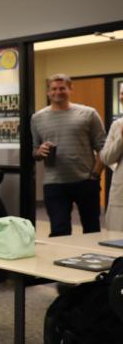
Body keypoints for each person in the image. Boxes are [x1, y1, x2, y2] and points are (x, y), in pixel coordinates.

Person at [31, 74, 106, 236]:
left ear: (70, 89)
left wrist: (95, 175)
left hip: (86, 180)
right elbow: (34, 150)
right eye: (54, 89)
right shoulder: (37, 118)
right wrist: (39, 151)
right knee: (59, 230)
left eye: (62, 88)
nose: (58, 92)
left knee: (92, 229)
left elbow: (103, 147)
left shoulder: (88, 114)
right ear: (48, 92)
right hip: (54, 182)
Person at [101, 83, 123, 231]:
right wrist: (121, 138)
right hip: (121, 194)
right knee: (115, 238)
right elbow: (106, 158)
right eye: (122, 93)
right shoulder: (118, 125)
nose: (122, 97)